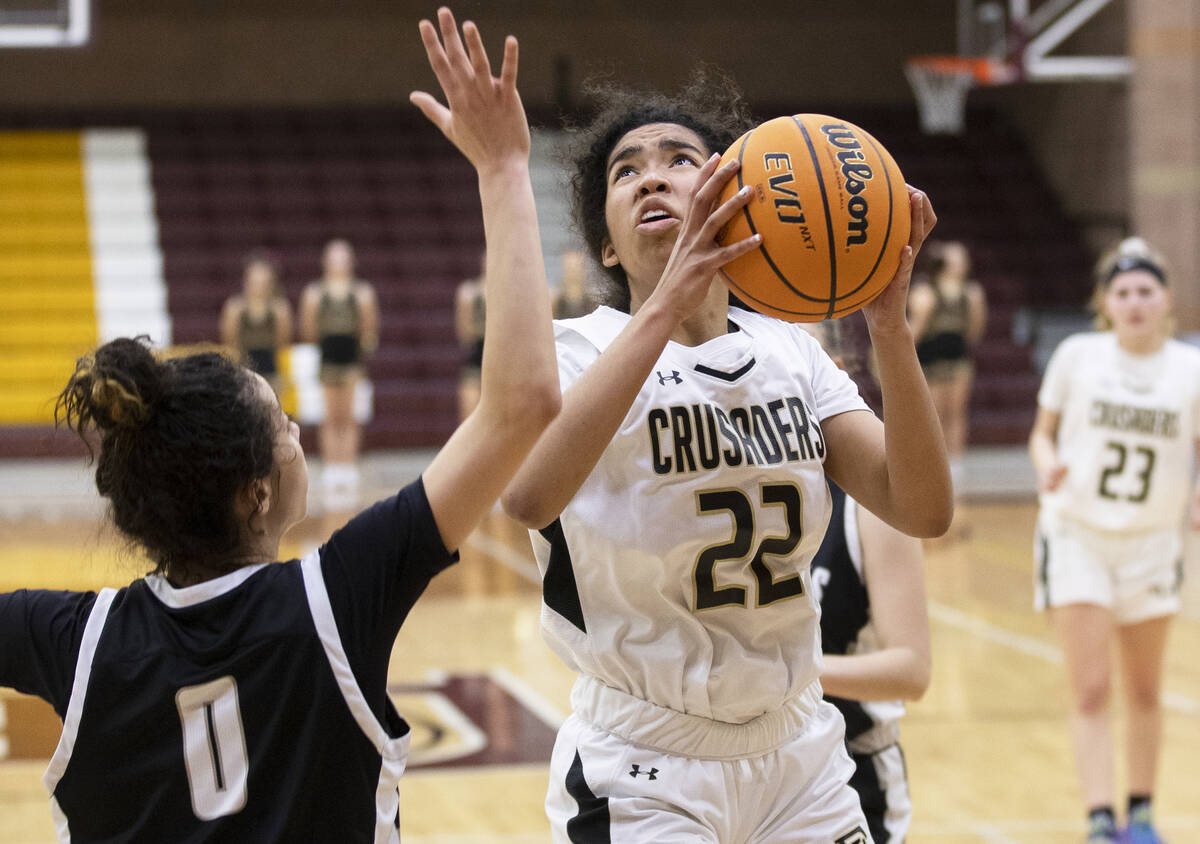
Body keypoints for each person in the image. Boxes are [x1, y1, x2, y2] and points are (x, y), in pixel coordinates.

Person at [0, 10, 558, 841]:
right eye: (282, 424)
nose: (295, 424)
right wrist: (506, 168)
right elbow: (522, 404)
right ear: (255, 495)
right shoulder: (335, 598)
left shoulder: (70, 641)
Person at [501, 78, 952, 842]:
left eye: (681, 160)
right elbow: (527, 498)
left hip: (798, 750)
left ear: (739, 198)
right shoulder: (573, 352)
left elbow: (921, 507)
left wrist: (889, 326)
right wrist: (667, 305)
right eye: (625, 171)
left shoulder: (790, 353)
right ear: (607, 243)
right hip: (643, 758)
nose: (653, 176)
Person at [1028, 237, 1198, 844]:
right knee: (1092, 687)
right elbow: (1041, 435)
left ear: (1165, 298)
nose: (1134, 302)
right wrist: (1047, 463)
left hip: (1153, 543)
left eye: (1145, 291)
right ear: (1106, 301)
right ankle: (1101, 819)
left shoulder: (1189, 367)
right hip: (1078, 535)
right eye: (1122, 292)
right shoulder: (1079, 355)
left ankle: (1144, 812)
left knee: (1147, 687)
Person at [805, 321, 931, 844]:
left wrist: (785, 673)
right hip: (731, 771)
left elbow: (911, 670)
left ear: (832, 375)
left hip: (850, 769)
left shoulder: (869, 506)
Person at [299, 237, 380, 508]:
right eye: (334, 257)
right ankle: (333, 468)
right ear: (325, 262)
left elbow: (369, 328)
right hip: (328, 357)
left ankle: (348, 466)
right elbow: (308, 330)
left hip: (352, 359)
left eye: (343, 257)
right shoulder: (314, 293)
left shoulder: (362, 293)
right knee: (330, 415)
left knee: (350, 415)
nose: (338, 263)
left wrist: (363, 343)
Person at [908, 240, 987, 505]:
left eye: (961, 257)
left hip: (957, 357)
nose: (959, 262)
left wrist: (976, 309)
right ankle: (933, 463)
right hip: (931, 356)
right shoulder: (925, 291)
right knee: (934, 413)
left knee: (956, 411)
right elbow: (913, 333)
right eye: (953, 258)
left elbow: (974, 331)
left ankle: (955, 463)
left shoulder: (971, 293)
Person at [219, 250, 293, 396]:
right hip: (244, 370)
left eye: (263, 279)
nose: (259, 284)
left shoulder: (280, 309)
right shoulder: (235, 308)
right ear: (246, 280)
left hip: (271, 369)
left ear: (271, 281)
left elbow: (283, 342)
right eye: (255, 279)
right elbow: (229, 340)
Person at [454, 252, 486, 421]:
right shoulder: (469, 292)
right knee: (469, 414)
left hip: (503, 359)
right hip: (475, 358)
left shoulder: (511, 292)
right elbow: (464, 332)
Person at [552, 249, 593, 320]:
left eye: (575, 266)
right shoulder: (556, 301)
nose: (573, 270)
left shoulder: (592, 301)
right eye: (569, 266)